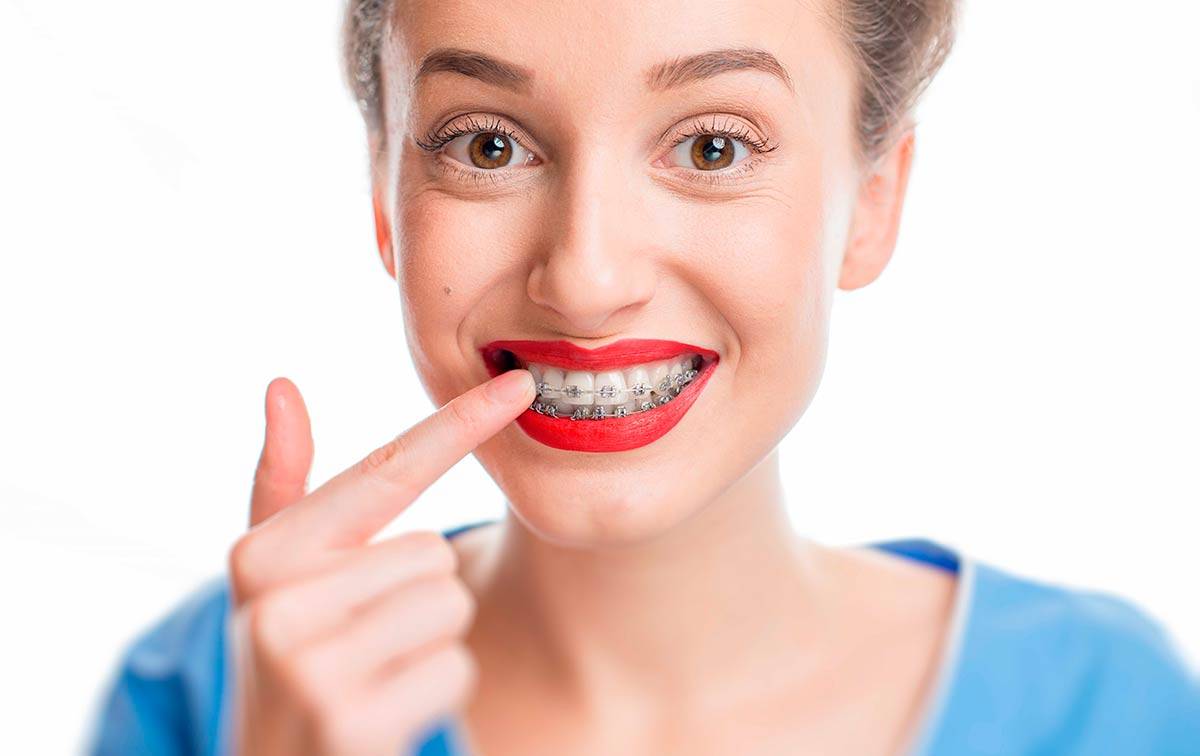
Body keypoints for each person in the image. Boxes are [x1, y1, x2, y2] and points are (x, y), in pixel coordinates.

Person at [88, 0, 1200, 754]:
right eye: (486, 145)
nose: (585, 278)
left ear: (873, 203)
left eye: (714, 146)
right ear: (385, 199)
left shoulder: (1111, 712)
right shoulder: (210, 694)